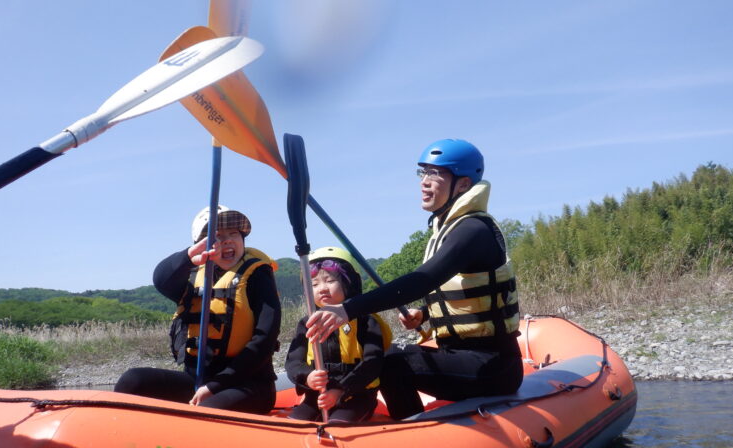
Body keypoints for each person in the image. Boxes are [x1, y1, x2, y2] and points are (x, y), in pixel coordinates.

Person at [305, 139, 523, 420]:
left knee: (391, 363)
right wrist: (423, 315)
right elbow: (458, 295)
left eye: (436, 174)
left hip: (493, 367)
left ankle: (411, 432)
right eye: (423, 173)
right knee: (391, 354)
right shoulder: (448, 230)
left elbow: (423, 280)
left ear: (463, 184)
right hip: (463, 358)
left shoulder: (473, 230)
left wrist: (348, 309)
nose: (425, 182)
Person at [114, 205, 281, 414]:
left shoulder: (258, 276)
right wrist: (188, 256)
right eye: (217, 236)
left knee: (205, 410)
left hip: (248, 384)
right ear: (203, 246)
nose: (227, 240)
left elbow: (264, 340)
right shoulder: (192, 279)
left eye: (234, 233)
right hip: (197, 381)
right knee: (134, 380)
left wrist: (215, 385)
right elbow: (161, 279)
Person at [285, 247, 391, 422]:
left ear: (348, 284)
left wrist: (341, 390)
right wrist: (307, 377)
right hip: (316, 397)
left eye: (329, 280)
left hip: (356, 395)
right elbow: (293, 362)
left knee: (338, 424)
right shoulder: (306, 324)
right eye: (314, 284)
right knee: (294, 423)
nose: (322, 289)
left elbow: (373, 364)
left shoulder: (366, 321)